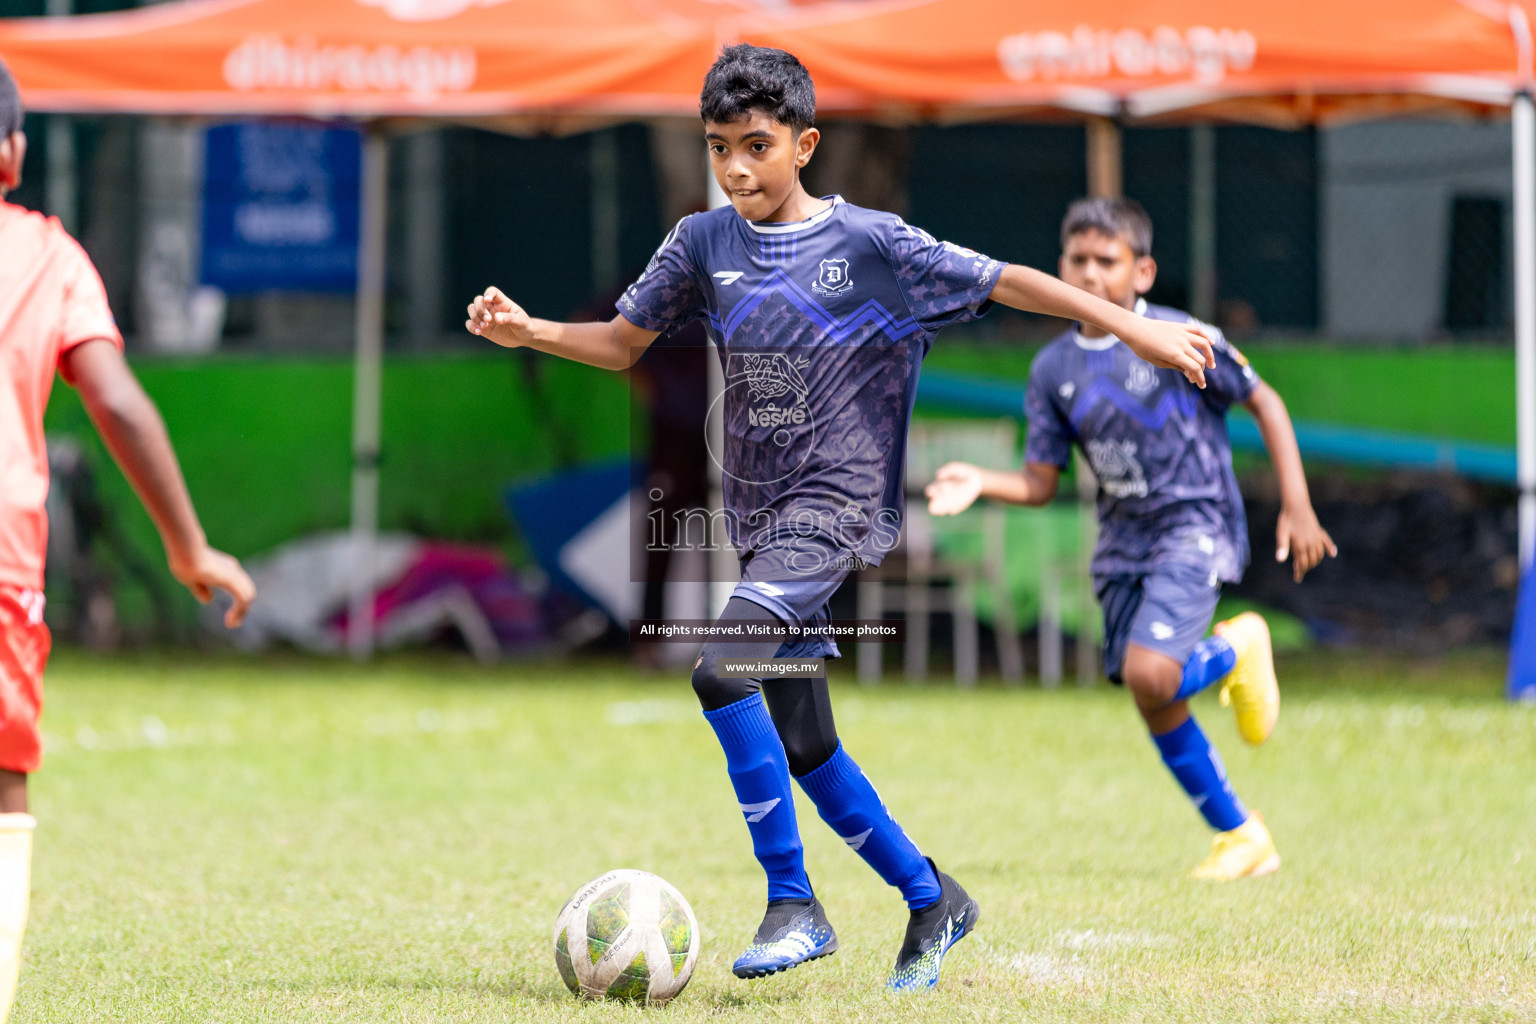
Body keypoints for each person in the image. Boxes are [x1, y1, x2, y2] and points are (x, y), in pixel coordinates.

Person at [467, 46, 1215, 991]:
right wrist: (528, 330)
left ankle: (793, 902)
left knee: (718, 665)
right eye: (718, 148)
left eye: (757, 146)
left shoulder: (873, 245)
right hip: (761, 515)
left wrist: (1138, 328)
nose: (736, 169)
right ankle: (931, 896)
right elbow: (623, 345)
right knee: (808, 740)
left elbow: (1014, 280)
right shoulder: (700, 242)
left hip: (836, 507)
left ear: (805, 144)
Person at [925, 196, 1336, 881]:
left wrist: (1296, 501)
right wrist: (981, 482)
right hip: (1122, 542)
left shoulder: (1179, 334)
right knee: (1152, 692)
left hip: (1194, 523)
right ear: (1060, 266)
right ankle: (1241, 835)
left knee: (1153, 671)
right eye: (1077, 260)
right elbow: (1040, 482)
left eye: (1106, 261)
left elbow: (1262, 398)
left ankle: (1238, 647)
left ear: (1141, 272)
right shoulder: (1052, 371)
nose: (1089, 273)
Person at [0, 60, 256, 1022]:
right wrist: (188, 548)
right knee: (2, 786)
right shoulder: (45, 254)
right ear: (14, 152)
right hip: (3, 560)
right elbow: (112, 395)